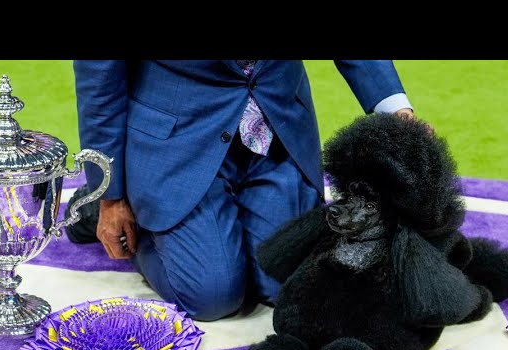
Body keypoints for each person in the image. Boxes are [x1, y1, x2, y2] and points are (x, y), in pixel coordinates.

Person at [68, 60, 415, 321]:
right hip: (178, 143)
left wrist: (397, 111)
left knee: (286, 285)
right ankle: (132, 215)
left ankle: (205, 229)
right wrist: (109, 194)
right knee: (213, 296)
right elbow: (100, 80)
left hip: (276, 132)